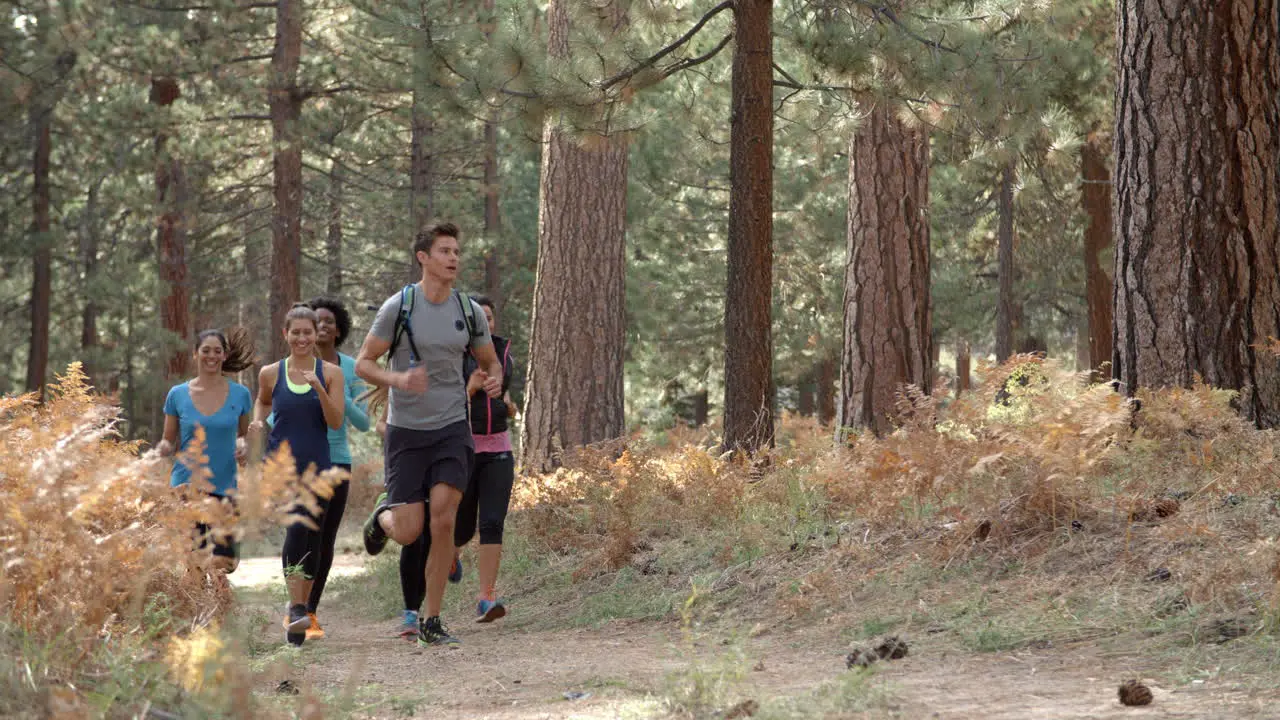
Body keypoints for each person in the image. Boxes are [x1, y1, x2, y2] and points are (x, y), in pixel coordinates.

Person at [355, 222, 504, 647]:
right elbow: (364, 362)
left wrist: (492, 379)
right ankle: (381, 518)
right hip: (406, 432)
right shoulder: (399, 306)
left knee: (443, 519)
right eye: (444, 251)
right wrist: (398, 380)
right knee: (408, 531)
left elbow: (489, 360)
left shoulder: (468, 310)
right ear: (424, 257)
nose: (454, 258)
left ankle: (432, 620)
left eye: (457, 251)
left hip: (453, 428)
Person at [397, 296, 517, 633]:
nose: (486, 324)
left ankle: (486, 598)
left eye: (490, 318)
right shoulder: (450, 356)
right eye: (480, 319)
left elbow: (505, 391)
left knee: (492, 522)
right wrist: (471, 387)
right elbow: (438, 402)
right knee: (460, 527)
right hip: (459, 448)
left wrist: (502, 395)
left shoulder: (502, 353)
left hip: (499, 449)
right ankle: (450, 556)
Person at [249, 303, 345, 646]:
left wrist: (319, 388)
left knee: (310, 537)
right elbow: (262, 402)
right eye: (296, 332)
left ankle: (299, 611)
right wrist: (259, 420)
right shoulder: (270, 373)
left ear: (315, 333)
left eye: (308, 332)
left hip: (318, 465)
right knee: (296, 526)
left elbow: (335, 421)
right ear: (285, 334)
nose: (302, 338)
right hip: (282, 467)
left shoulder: (331, 373)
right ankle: (297, 606)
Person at [294, 296, 370, 640]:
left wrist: (336, 391)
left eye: (328, 322)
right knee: (302, 536)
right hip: (301, 461)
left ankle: (310, 611)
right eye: (316, 321)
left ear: (338, 330)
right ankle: (295, 605)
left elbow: (364, 422)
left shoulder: (350, 368)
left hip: (337, 460)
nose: (321, 326)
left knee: (324, 540)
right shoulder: (292, 365)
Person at [157, 328, 256, 573]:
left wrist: (244, 446)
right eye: (205, 351)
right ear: (195, 355)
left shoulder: (241, 394)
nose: (211, 356)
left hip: (226, 484)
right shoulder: (177, 395)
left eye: (217, 351)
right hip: (188, 484)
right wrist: (158, 453)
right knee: (195, 561)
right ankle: (206, 610)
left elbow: (243, 436)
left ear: (224, 356)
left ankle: (213, 601)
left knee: (227, 562)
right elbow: (168, 440)